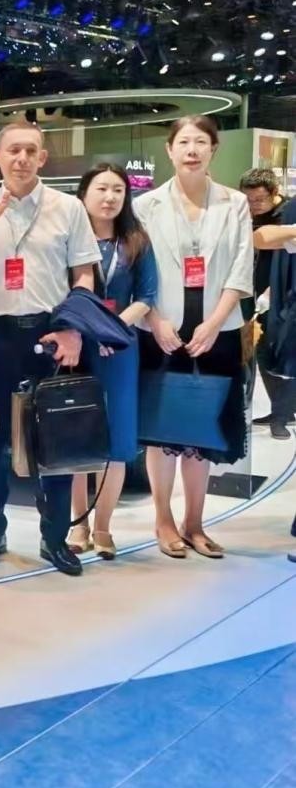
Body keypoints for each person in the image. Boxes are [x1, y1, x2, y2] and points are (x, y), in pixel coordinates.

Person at [0, 120, 100, 576]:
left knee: (56, 437)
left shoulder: (68, 208)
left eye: (30, 151)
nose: (21, 159)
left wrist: (73, 329)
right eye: (13, 150)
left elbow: (84, 274)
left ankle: (55, 538)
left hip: (51, 331)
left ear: (42, 157)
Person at [134, 115, 252, 560]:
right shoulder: (146, 206)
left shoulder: (234, 203)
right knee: (162, 429)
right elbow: (138, 271)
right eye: (184, 142)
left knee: (202, 428)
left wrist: (215, 321)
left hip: (217, 329)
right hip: (161, 329)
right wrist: (156, 319)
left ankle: (195, 522)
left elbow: (241, 268)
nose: (192, 150)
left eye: (201, 142)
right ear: (169, 149)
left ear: (213, 149)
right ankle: (163, 520)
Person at [67, 165, 157, 559]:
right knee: (74, 438)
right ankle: (78, 523)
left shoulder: (136, 241)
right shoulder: (69, 237)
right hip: (76, 346)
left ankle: (103, 526)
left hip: (119, 349)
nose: (110, 197)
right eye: (101, 188)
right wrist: (90, 329)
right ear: (83, 194)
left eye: (118, 190)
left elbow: (147, 296)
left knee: (118, 440)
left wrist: (112, 329)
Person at [240, 169, 293, 440]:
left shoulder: (288, 215)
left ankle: (281, 417)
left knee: (283, 355)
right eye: (248, 199)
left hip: (284, 296)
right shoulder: (247, 215)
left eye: (259, 199)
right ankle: (281, 411)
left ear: (274, 193)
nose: (254, 205)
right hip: (256, 295)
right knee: (262, 352)